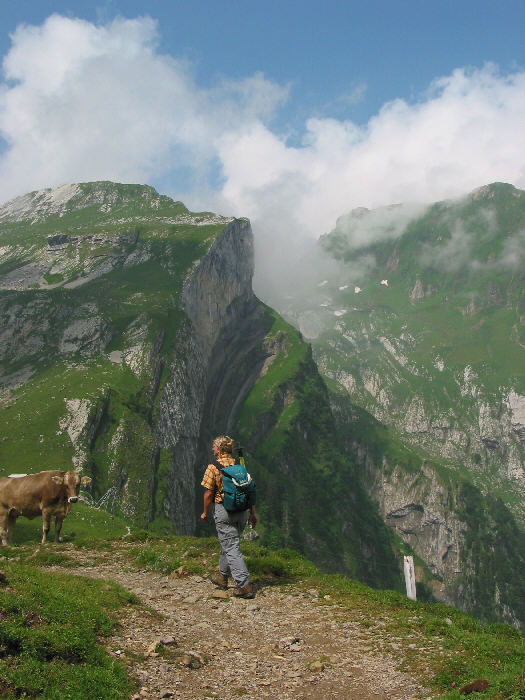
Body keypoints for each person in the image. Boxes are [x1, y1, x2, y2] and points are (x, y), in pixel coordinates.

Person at [200, 435, 257, 599]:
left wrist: (205, 512)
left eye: (214, 446)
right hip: (242, 512)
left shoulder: (214, 467)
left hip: (224, 511)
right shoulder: (239, 466)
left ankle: (243, 584)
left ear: (219, 449)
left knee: (231, 547)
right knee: (229, 543)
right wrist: (252, 514)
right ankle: (222, 577)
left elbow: (208, 493)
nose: (212, 449)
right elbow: (250, 490)